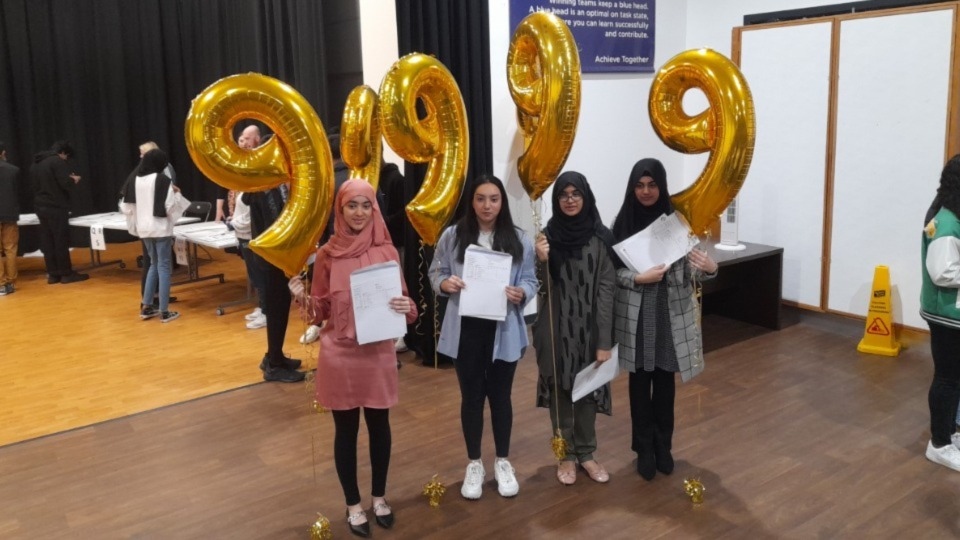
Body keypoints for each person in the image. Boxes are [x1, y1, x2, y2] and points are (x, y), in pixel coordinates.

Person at [289, 179, 416, 537]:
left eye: (366, 205)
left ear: (374, 208)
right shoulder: (328, 254)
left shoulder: (388, 251)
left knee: (380, 427)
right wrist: (301, 297)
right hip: (340, 354)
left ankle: (379, 497)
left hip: (377, 353)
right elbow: (320, 312)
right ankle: (353, 504)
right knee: (345, 431)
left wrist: (409, 307)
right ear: (340, 209)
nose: (359, 213)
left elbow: (406, 306)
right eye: (351, 206)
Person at [429, 174, 539, 500]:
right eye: (480, 198)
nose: (487, 205)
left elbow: (532, 280)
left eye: (493, 199)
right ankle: (474, 462)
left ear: (502, 202)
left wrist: (523, 291)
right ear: (471, 202)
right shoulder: (453, 236)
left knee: (501, 397)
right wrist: (444, 284)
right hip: (466, 331)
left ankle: (503, 461)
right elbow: (437, 271)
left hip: (503, 329)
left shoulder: (519, 239)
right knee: (472, 398)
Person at [611, 158, 718, 481]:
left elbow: (694, 270)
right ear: (632, 188)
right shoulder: (622, 222)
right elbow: (613, 273)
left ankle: (664, 446)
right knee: (640, 384)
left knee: (665, 384)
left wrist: (711, 268)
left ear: (662, 186)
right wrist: (636, 279)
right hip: (638, 314)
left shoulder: (677, 224)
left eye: (652, 185)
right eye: (640, 185)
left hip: (670, 315)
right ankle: (643, 448)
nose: (646, 191)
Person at [532, 171, 617, 485]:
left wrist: (604, 340)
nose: (569, 200)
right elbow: (537, 287)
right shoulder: (546, 236)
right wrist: (539, 259)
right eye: (563, 195)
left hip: (590, 329)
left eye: (575, 194)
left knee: (587, 391)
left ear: (585, 197)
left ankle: (587, 453)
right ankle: (565, 454)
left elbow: (607, 290)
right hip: (556, 327)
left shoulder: (601, 237)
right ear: (557, 200)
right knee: (560, 391)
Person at [240, 125, 303, 382]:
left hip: (273, 255)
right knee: (276, 307)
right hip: (270, 256)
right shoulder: (265, 184)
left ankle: (274, 356)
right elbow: (275, 220)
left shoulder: (271, 183)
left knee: (280, 305)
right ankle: (274, 364)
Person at [920, 153, 960, 471]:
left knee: (955, 377)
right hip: (945, 315)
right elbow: (942, 273)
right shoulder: (946, 222)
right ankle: (939, 443)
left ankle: (949, 432)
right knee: (947, 378)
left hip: (955, 312)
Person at [119, 149, 185, 323]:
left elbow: (126, 207)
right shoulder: (163, 180)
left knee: (153, 265)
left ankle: (147, 306)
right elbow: (170, 206)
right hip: (161, 228)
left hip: (144, 229)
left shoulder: (135, 180)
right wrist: (178, 195)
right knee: (164, 268)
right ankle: (164, 311)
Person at [31, 140, 88, 284]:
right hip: (56, 206)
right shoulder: (57, 162)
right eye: (66, 157)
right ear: (63, 153)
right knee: (60, 240)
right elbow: (65, 183)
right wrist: (74, 179)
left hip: (40, 206)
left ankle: (53, 274)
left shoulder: (36, 163)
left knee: (48, 240)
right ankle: (66, 273)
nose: (66, 160)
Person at [0, 142, 21, 296]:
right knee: (11, 249)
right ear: (2, 152)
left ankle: (0, 284)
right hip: (9, 213)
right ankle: (11, 282)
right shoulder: (13, 170)